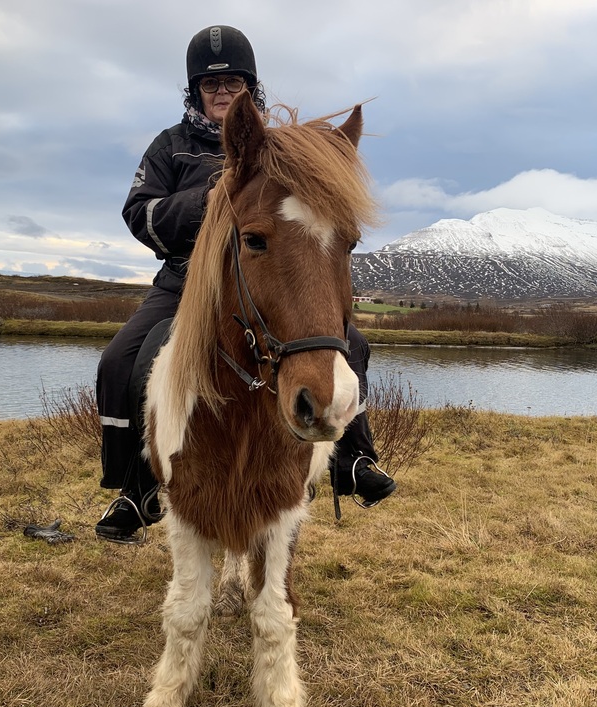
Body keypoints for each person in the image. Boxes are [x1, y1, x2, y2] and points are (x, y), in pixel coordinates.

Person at [95, 25, 395, 543]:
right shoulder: (169, 147)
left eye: (232, 82)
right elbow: (139, 213)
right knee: (121, 359)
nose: (222, 92)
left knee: (350, 344)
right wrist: (210, 199)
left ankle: (353, 458)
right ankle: (134, 485)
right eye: (210, 85)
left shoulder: (275, 146)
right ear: (194, 92)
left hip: (258, 279)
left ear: (249, 87)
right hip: (185, 280)